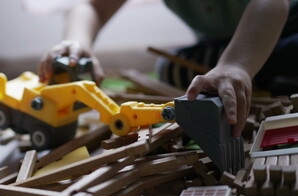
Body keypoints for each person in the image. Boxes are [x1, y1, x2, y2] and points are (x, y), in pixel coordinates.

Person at [38, 0, 298, 137]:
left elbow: (272, 3)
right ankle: (256, 78)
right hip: (221, 50)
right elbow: (91, 7)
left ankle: (250, 76)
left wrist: (238, 65)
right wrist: (77, 42)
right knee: (167, 68)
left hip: (282, 32)